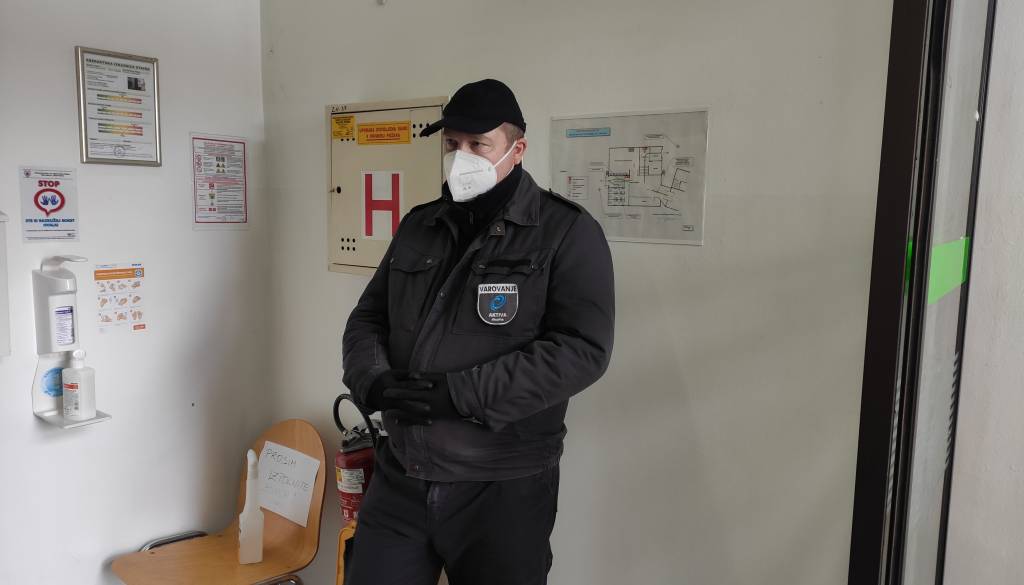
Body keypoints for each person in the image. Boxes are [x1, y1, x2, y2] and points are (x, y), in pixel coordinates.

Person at [341, 78, 615, 585]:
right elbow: (368, 317)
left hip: (501, 485)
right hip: (403, 475)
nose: (460, 157)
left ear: (517, 150)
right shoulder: (420, 225)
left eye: (477, 144)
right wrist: (372, 380)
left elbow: (582, 350)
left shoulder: (566, 232)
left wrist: (460, 395)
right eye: (452, 143)